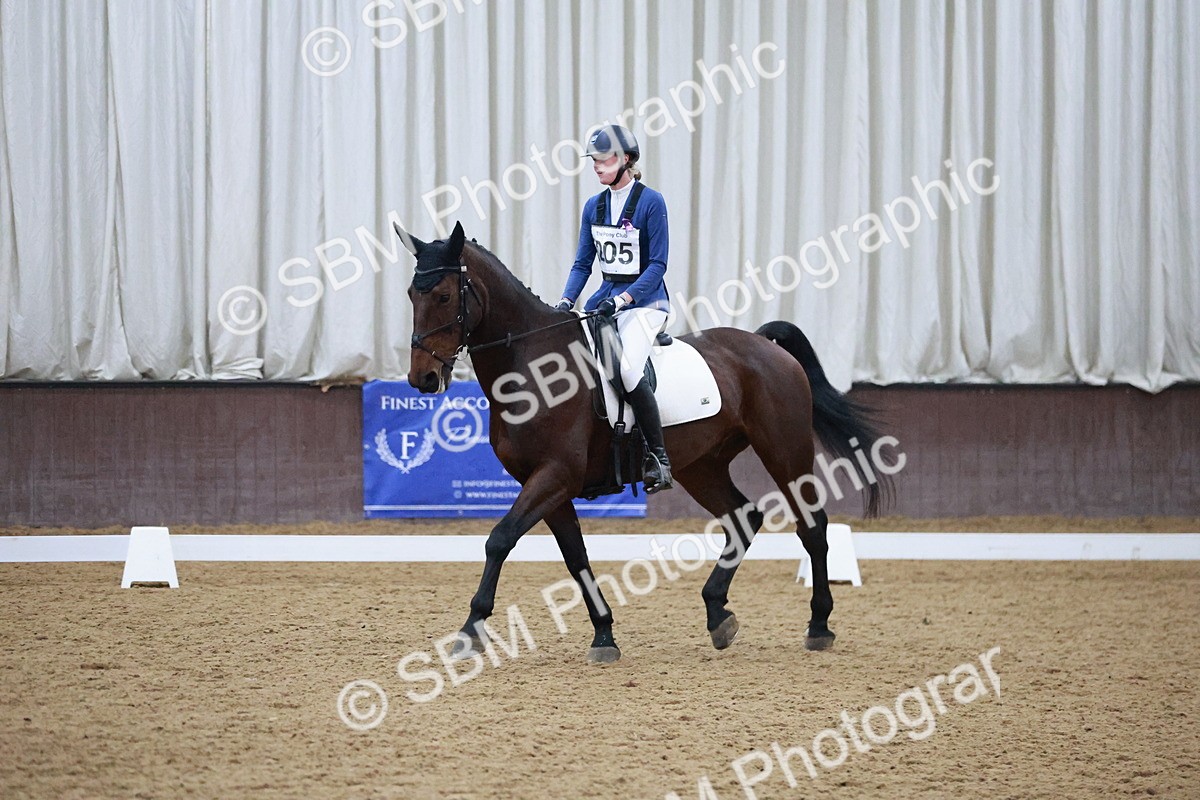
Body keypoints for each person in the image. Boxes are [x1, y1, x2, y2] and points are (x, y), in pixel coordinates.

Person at [555, 124, 674, 493]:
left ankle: (658, 458)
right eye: (594, 160)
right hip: (603, 303)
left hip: (646, 302)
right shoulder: (594, 206)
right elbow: (582, 264)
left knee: (626, 369)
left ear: (626, 160)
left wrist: (624, 300)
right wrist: (565, 302)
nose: (597, 166)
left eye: (604, 160)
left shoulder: (651, 202)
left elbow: (658, 265)